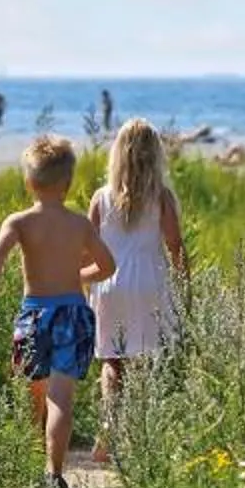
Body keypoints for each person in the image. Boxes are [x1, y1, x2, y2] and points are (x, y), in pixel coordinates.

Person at [0, 134, 115, 488]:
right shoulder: (79, 225)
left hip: (35, 315)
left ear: (29, 182)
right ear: (68, 183)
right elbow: (107, 265)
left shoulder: (20, 222)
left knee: (32, 397)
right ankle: (54, 474)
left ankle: (30, 467)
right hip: (72, 314)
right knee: (61, 399)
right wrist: (78, 275)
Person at [86, 119, 187, 467]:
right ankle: (139, 438)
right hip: (149, 284)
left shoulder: (101, 197)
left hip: (109, 285)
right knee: (144, 362)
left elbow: (89, 248)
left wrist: (79, 280)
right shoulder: (162, 197)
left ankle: (107, 433)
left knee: (112, 361)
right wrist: (186, 289)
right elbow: (175, 247)